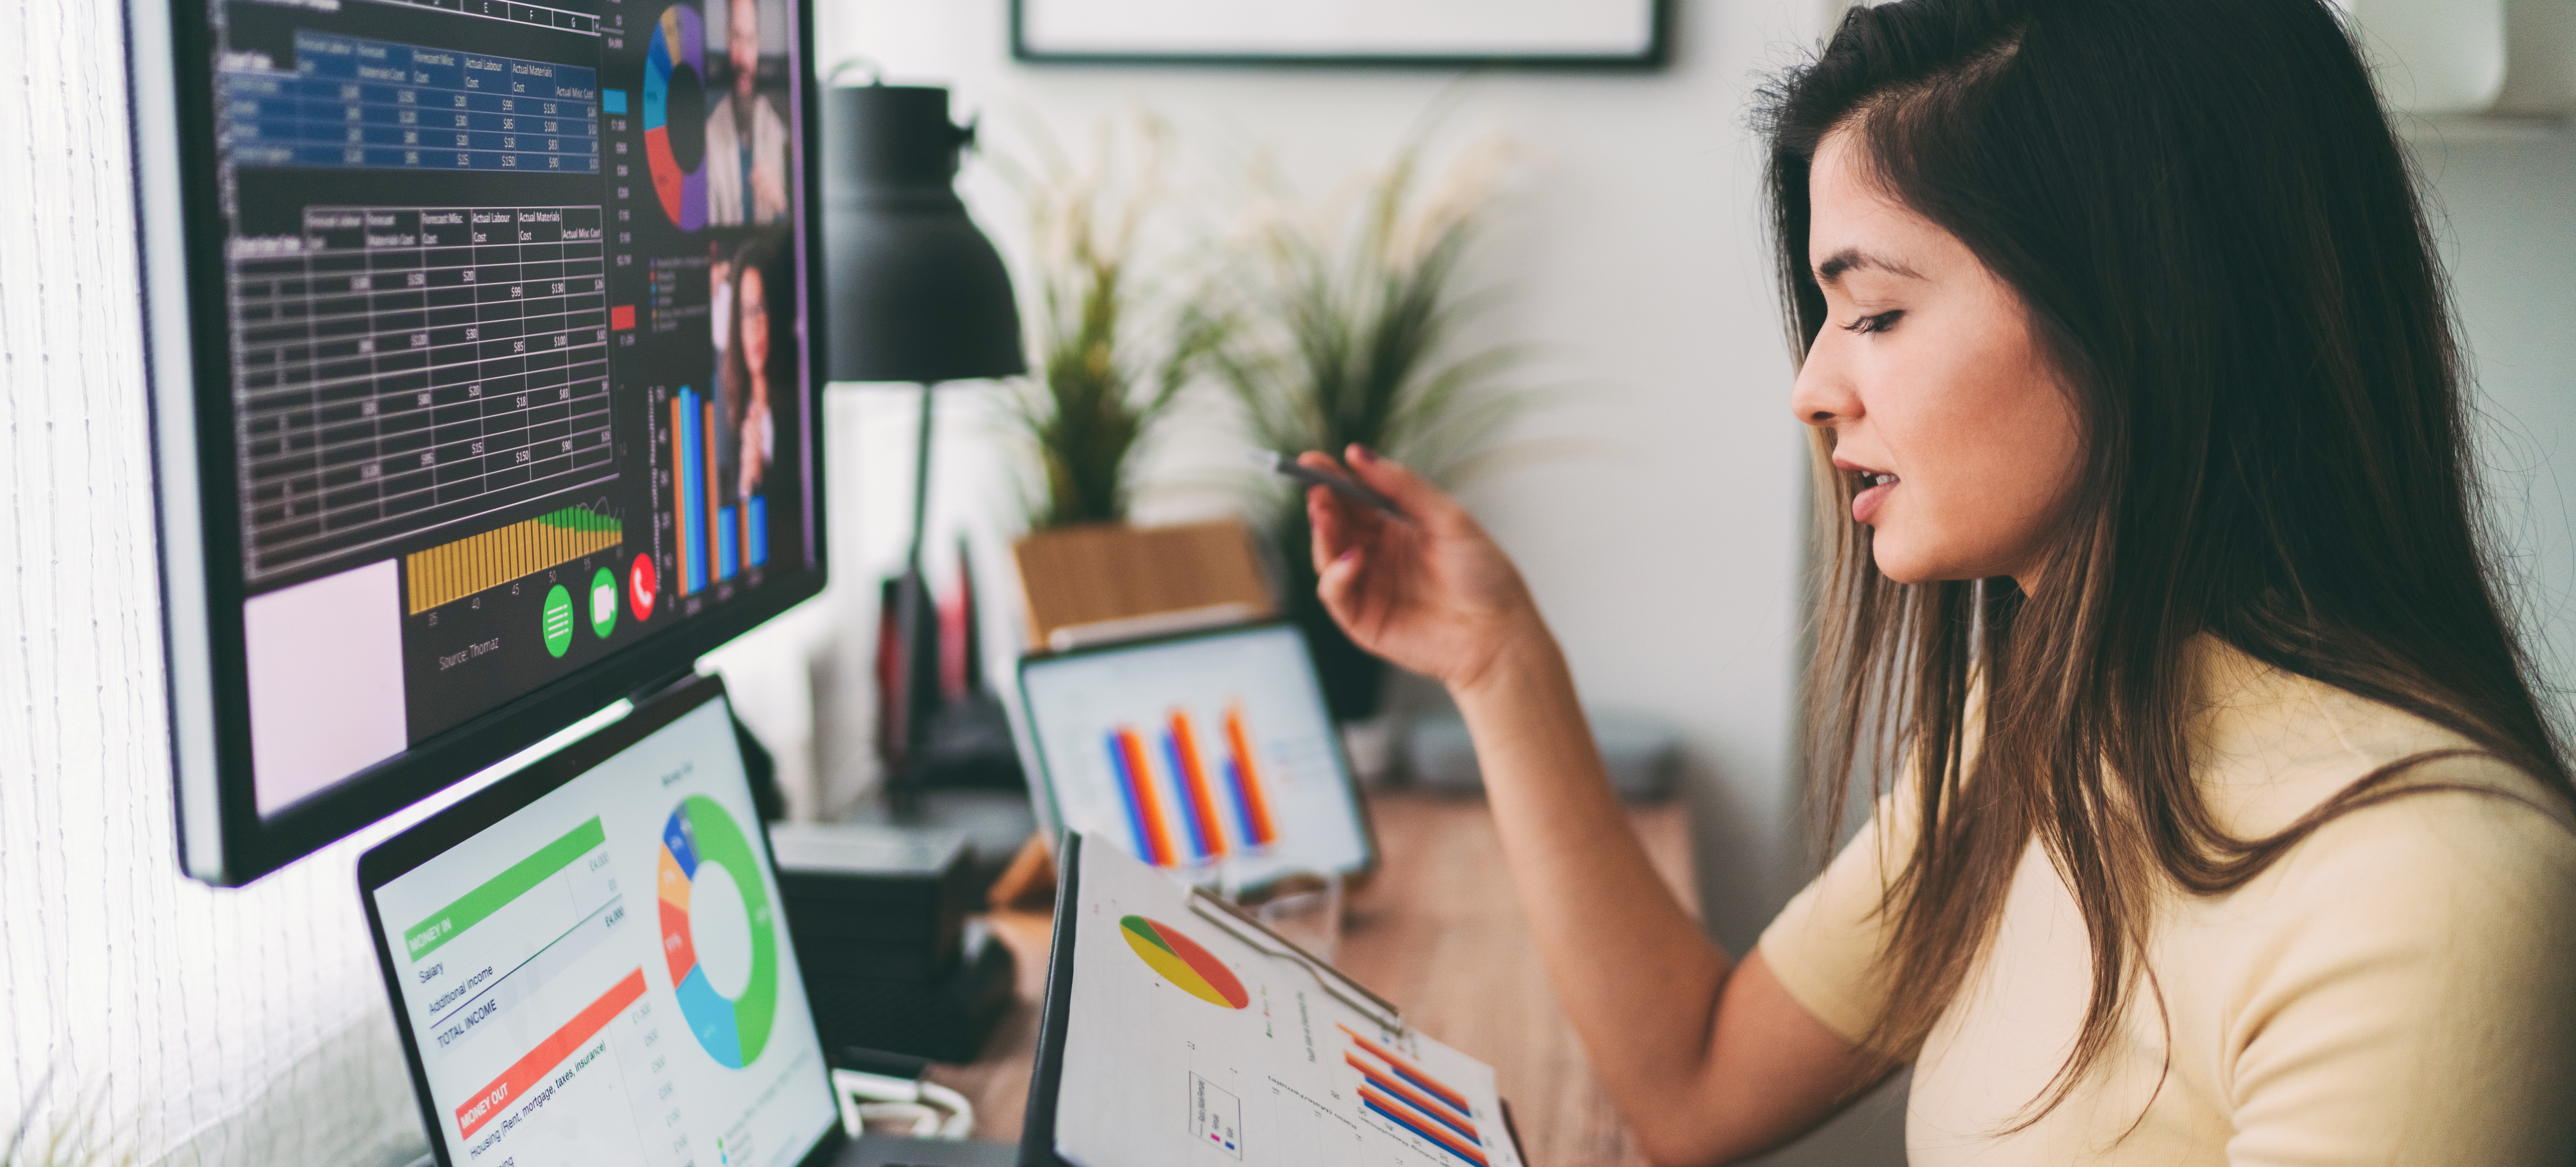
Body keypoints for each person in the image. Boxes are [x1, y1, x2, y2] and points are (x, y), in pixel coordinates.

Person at [1297, 0, 2576, 1162]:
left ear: (2143, 312)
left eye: (1875, 314)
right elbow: (1696, 1083)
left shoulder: (2432, 891)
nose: (1810, 391)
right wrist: (1496, 657)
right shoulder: (2041, 726)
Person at [705, 0, 788, 226]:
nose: (743, 58)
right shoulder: (709, 136)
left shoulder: (776, 128)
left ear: (759, 45)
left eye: (750, 40)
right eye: (737, 38)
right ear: (727, 40)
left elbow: (788, 237)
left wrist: (781, 205)